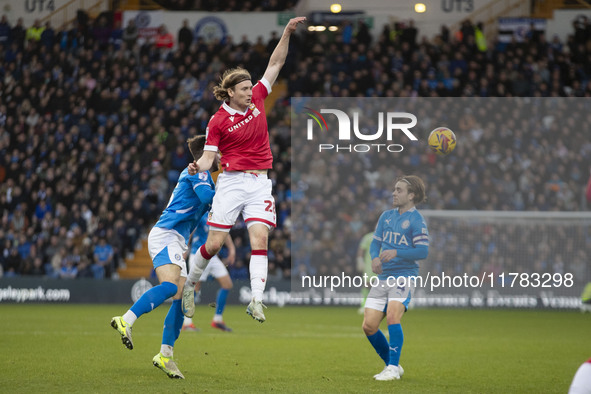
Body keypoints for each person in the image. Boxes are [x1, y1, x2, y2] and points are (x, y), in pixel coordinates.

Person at [182, 16, 306, 323]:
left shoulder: (261, 98)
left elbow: (276, 63)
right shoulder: (217, 122)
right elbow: (211, 157)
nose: (252, 92)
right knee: (213, 244)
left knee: (259, 240)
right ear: (231, 93)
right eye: (246, 88)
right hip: (232, 182)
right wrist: (199, 166)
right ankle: (189, 285)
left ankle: (257, 300)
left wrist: (287, 32)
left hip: (260, 183)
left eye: (252, 87)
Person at [110, 135, 217, 379]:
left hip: (175, 238)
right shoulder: (198, 172)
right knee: (170, 287)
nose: (220, 156)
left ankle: (165, 355)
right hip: (166, 235)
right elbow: (207, 200)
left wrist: (185, 243)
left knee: (182, 295)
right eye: (217, 151)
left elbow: (194, 214)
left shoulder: (204, 176)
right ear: (207, 152)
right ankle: (126, 320)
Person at [362, 175, 430, 381]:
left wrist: (397, 253)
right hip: (384, 278)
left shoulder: (417, 221)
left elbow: (423, 251)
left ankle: (391, 368)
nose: (394, 193)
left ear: (412, 195)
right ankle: (393, 365)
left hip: (404, 276)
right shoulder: (386, 216)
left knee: (392, 316)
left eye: (399, 190)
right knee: (369, 326)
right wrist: (375, 258)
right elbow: (375, 244)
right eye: (394, 189)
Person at [182, 212, 236, 332]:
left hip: (213, 256)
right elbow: (190, 231)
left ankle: (217, 319)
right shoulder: (201, 213)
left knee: (227, 284)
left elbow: (224, 232)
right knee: (194, 288)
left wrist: (232, 249)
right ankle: (186, 322)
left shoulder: (217, 213)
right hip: (198, 254)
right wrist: (185, 249)